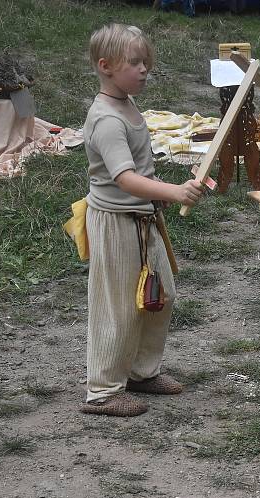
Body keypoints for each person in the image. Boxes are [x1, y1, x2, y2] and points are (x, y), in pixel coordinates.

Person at [80, 23, 204, 416]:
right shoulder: (107, 119)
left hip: (142, 217)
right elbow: (124, 177)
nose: (144, 69)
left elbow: (141, 172)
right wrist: (172, 191)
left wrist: (160, 195)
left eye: (145, 62)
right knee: (118, 306)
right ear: (106, 66)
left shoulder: (128, 106)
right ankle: (102, 391)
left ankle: (140, 372)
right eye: (134, 63)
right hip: (117, 223)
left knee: (158, 297)